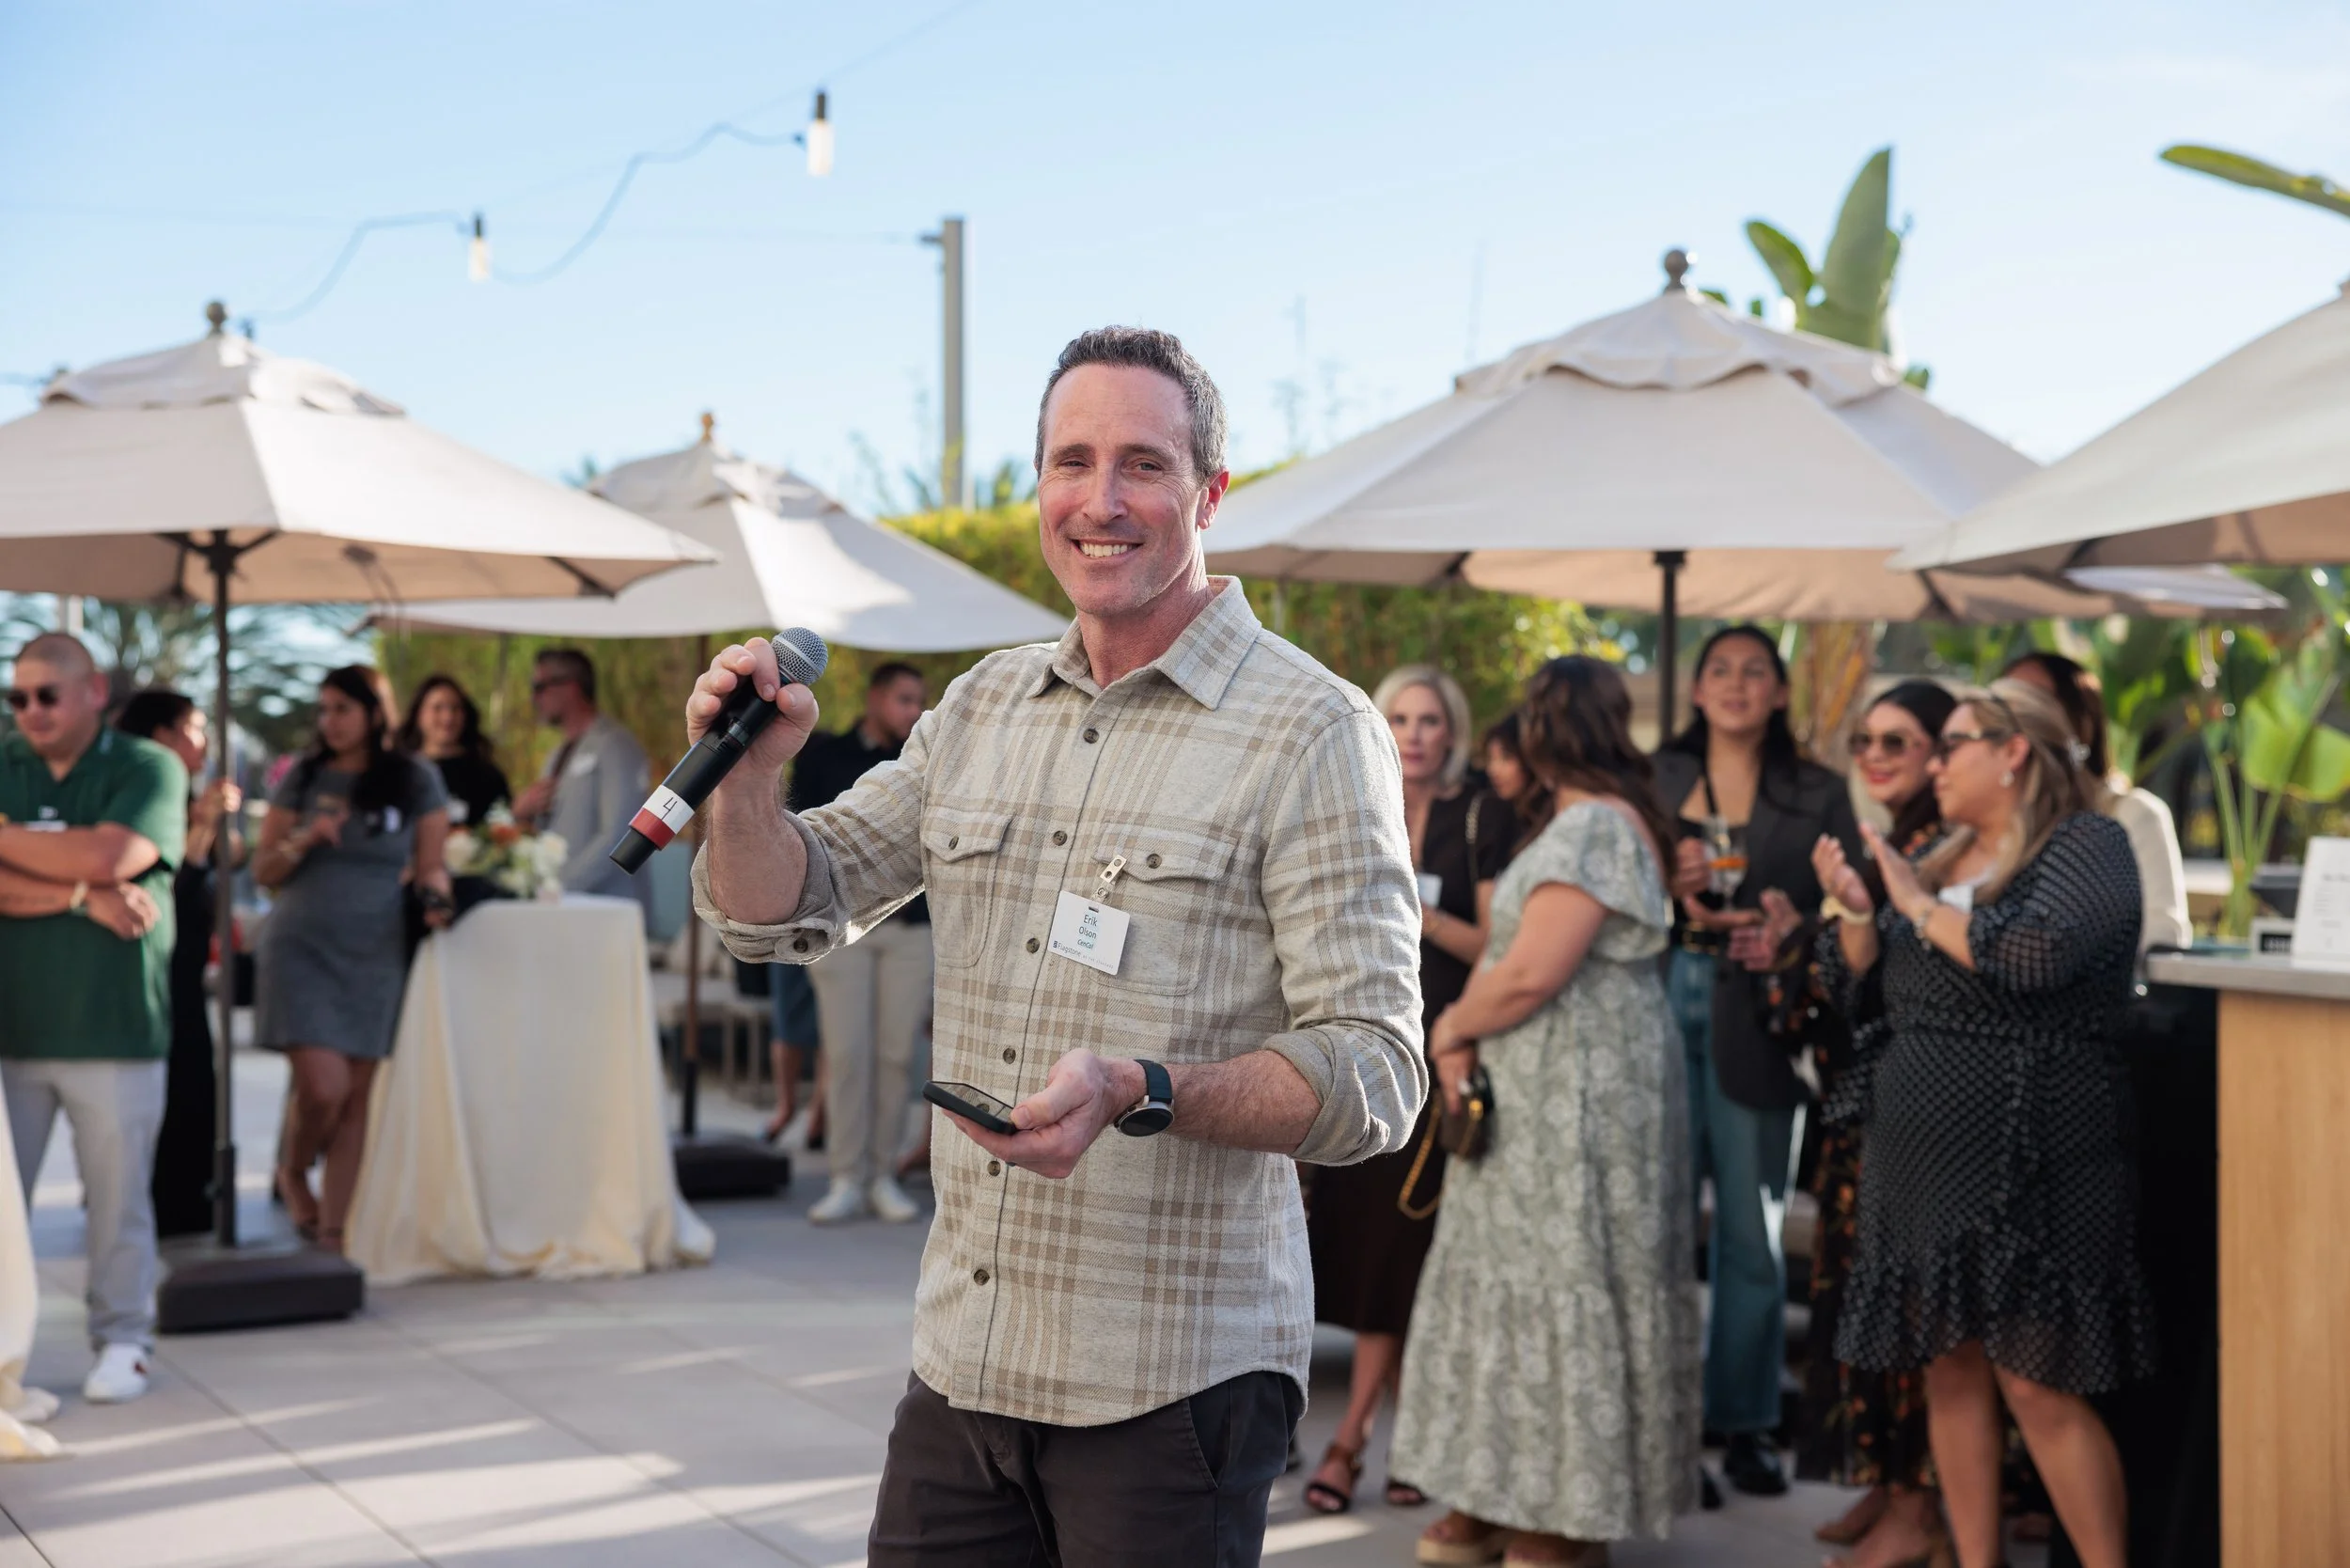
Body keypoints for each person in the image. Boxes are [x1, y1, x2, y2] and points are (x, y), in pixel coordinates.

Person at [692, 326, 1424, 1567]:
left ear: (1208, 493)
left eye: (1143, 463)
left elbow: (1377, 1072)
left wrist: (1143, 1092)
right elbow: (784, 904)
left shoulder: (1312, 728)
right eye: (1069, 462)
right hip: (966, 1365)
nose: (1101, 499)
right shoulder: (977, 707)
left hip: (1172, 1383)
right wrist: (748, 785)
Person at [1814, 682, 2155, 1568]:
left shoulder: (2087, 844)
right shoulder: (1938, 850)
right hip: (1922, 1154)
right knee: (1950, 1365)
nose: (1932, 763)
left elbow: (2035, 956)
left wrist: (1915, 904)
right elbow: (1864, 989)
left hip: (2039, 1150)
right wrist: (1859, 907)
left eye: (1953, 743)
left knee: (2037, 1383)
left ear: (2013, 752)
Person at [1392, 655, 1700, 1566]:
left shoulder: (1597, 826)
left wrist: (1450, 1023)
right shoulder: (1582, 821)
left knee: (1568, 1277)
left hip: (1578, 1101)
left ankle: (1560, 1516)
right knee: (1514, 1281)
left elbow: (1531, 971)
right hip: (1543, 1095)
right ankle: (1500, 1491)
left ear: (1549, 727)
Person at [1650, 624, 1860, 1497]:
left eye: (1756, 672)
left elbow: (1855, 911)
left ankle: (1743, 1426)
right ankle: (1662, 1429)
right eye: (1720, 670)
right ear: (1697, 692)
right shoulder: (1653, 778)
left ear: (1779, 693)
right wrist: (1667, 881)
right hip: (1661, 991)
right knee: (1658, 1224)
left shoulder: (1820, 790)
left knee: (1753, 1231)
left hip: (1763, 1011)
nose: (1737, 684)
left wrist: (1793, 933)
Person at [1301, 664, 1507, 1515]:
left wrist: (1414, 918)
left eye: (1430, 719)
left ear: (1452, 731)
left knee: (1399, 1258)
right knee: (1328, 1249)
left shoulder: (1476, 815)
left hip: (1441, 1058)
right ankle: (1310, 1430)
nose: (1416, 733)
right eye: (1401, 717)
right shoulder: (1353, 796)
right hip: (1348, 1050)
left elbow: (1497, 939)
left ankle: (1352, 1442)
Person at [0, 633, 184, 1403]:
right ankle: (8, 1363)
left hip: (115, 1027)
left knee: (117, 1201)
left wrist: (11, 847)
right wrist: (76, 894)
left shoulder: (149, 765)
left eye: (48, 695)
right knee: (3, 1216)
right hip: (11, 1032)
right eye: (18, 697)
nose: (31, 712)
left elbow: (115, 856)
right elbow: (93, 874)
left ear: (94, 691)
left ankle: (124, 1341)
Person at [1795, 681, 1955, 1568]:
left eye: (1899, 741)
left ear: (1943, 751)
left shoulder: (1949, 850)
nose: (1877, 757)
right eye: (1865, 741)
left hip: (1925, 1116)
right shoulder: (1897, 845)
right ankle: (1893, 1491)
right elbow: (1856, 986)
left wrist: (1856, 915)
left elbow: (1896, 983)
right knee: (1873, 1312)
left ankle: (1918, 1509)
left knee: (1916, 1322)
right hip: (1867, 1108)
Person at [252, 666, 452, 1252]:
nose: (329, 721)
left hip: (375, 947)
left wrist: (438, 897)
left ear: (374, 710)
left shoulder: (415, 777)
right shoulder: (304, 776)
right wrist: (305, 839)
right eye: (324, 710)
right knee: (321, 1086)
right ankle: (292, 1168)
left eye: (341, 708)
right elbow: (262, 872)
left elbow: (432, 861)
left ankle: (336, 1235)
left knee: (357, 1094)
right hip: (300, 945)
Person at [790, 663, 934, 1225]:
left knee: (899, 1054)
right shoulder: (823, 755)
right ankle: (846, 1177)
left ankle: (883, 1175)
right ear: (874, 698)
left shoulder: (922, 759)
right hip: (840, 930)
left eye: (919, 700)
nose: (912, 711)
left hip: (912, 930)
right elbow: (801, 836)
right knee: (847, 1053)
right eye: (903, 698)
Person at [113, 689, 244, 1241]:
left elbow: (220, 871)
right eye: (192, 728)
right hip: (151, 967)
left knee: (196, 1084)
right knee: (167, 1086)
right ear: (162, 736)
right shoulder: (141, 798)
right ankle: (162, 1203)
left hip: (189, 968)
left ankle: (191, 1199)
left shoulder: (188, 798)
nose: (203, 741)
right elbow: (169, 886)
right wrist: (202, 825)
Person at [2002, 651, 2190, 951]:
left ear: (2082, 722)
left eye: (2034, 701)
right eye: (2003, 704)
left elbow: (2162, 933)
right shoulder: (1992, 818)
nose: (2017, 718)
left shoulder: (2131, 813)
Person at [511, 649, 649, 907]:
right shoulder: (556, 755)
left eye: (540, 686)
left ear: (570, 686)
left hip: (605, 911)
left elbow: (621, 834)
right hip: (564, 909)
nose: (534, 697)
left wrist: (561, 886)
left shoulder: (615, 746)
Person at [397, 673, 510, 829]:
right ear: (419, 714)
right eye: (437, 708)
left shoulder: (487, 776)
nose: (447, 717)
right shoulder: (400, 773)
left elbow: (501, 829)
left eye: (455, 708)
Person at [1480, 711, 1554, 847]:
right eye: (1490, 759)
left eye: (1506, 758)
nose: (1493, 770)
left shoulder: (1554, 818)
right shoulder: (1496, 818)